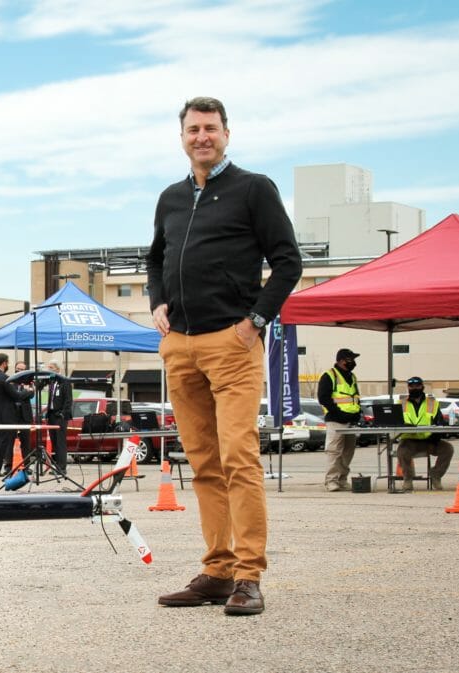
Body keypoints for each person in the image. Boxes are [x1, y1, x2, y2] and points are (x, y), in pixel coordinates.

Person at [147, 96, 302, 616]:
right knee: (204, 464)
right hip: (182, 347)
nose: (201, 137)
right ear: (182, 137)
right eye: (193, 129)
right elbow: (154, 259)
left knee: (239, 458)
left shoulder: (254, 189)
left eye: (210, 128)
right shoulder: (170, 197)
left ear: (226, 134)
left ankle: (249, 575)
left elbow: (288, 260)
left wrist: (255, 321)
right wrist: (157, 301)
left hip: (232, 343)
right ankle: (217, 570)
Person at [395, 377, 454, 492]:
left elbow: (440, 422)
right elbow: (395, 422)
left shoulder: (431, 402)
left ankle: (436, 475)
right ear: (408, 387)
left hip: (429, 440)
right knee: (402, 451)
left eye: (417, 386)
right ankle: (408, 479)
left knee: (448, 449)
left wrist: (435, 436)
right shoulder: (401, 402)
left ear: (422, 387)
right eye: (411, 386)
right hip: (410, 440)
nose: (414, 388)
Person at [319, 348, 362, 492]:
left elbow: (355, 397)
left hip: (351, 420)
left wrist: (358, 413)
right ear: (341, 360)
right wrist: (338, 413)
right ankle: (331, 481)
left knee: (348, 452)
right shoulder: (329, 375)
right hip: (336, 420)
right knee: (334, 452)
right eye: (350, 359)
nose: (353, 362)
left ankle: (342, 479)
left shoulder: (352, 376)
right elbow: (323, 398)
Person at [43, 361, 72, 471]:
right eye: (48, 367)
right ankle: (56, 465)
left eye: (51, 368)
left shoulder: (65, 382)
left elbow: (68, 400)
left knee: (60, 442)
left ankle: (62, 467)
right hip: (51, 415)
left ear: (57, 369)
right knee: (54, 441)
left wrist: (63, 413)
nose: (49, 369)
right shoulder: (51, 382)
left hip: (60, 416)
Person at [12, 360, 35, 457]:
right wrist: (25, 392)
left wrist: (20, 395)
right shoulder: (10, 381)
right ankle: (9, 465)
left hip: (25, 416)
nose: (20, 371)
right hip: (12, 415)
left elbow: (32, 394)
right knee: (11, 440)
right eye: (18, 369)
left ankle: (26, 464)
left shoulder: (29, 382)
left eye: (22, 369)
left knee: (26, 441)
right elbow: (13, 395)